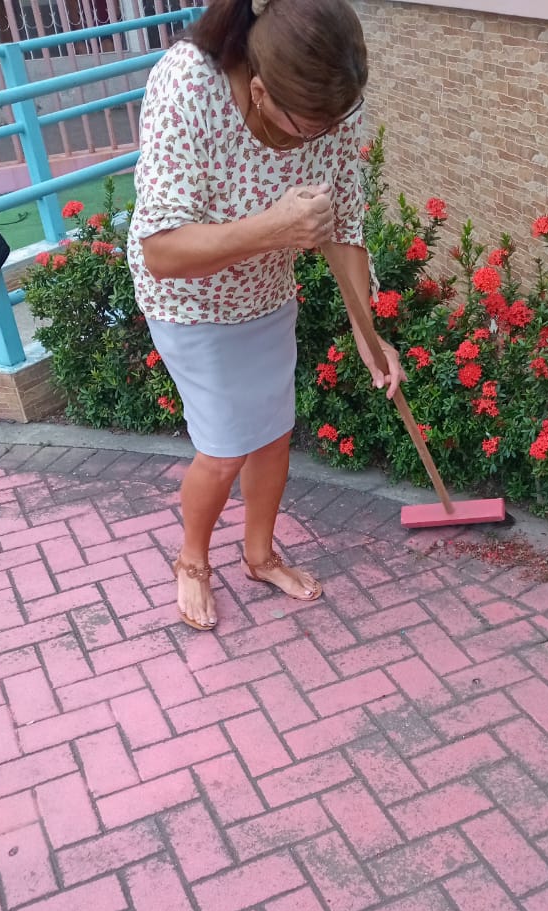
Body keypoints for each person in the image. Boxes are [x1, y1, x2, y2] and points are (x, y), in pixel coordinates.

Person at [127, 0, 404, 631]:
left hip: (264, 295)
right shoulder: (189, 84)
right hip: (189, 303)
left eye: (331, 124)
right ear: (258, 90)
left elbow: (344, 223)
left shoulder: (326, 101)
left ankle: (259, 555)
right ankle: (191, 560)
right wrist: (274, 227)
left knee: (274, 435)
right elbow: (162, 250)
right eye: (307, 127)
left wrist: (367, 334)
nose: (319, 137)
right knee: (225, 447)